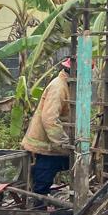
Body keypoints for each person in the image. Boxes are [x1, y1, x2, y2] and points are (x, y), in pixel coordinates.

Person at [22, 58, 72, 197]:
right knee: (43, 180)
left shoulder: (67, 86)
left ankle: (40, 201)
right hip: (46, 145)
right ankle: (38, 206)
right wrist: (63, 142)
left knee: (47, 173)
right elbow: (49, 118)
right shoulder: (59, 87)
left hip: (51, 144)